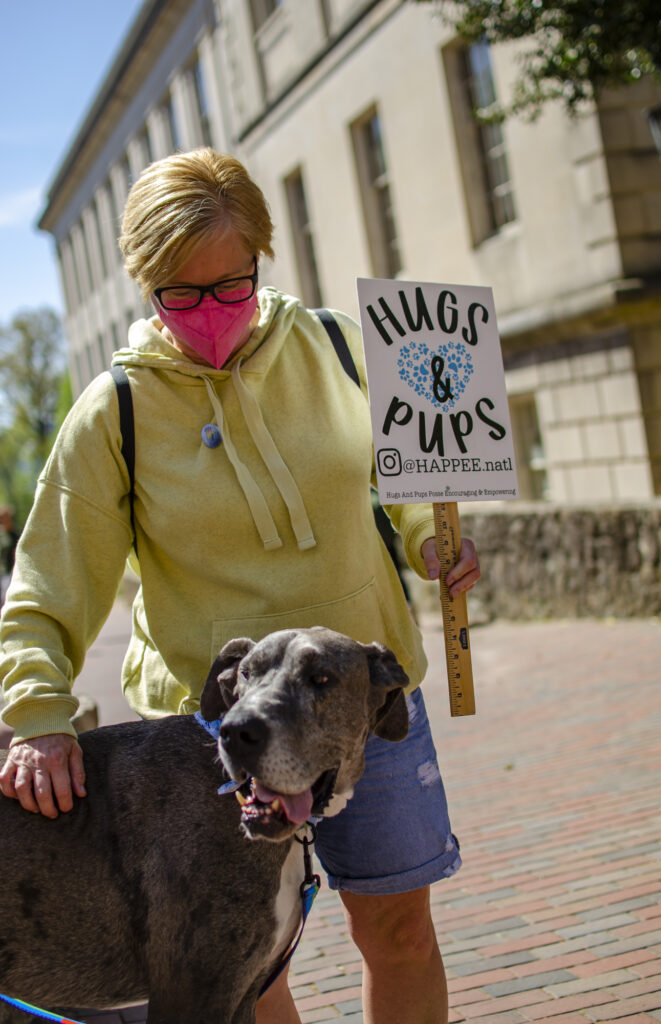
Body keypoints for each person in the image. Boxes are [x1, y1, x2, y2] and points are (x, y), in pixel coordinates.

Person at [0, 148, 480, 1024]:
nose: (210, 312)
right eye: (180, 294)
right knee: (246, 976)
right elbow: (44, 589)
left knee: (401, 934)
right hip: (210, 738)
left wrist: (430, 543)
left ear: (262, 256)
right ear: (144, 282)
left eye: (232, 285)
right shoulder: (115, 413)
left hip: (361, 705)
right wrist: (36, 716)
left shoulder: (337, 348)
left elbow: (402, 483)